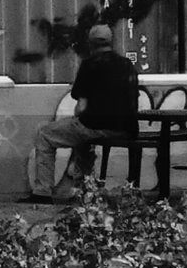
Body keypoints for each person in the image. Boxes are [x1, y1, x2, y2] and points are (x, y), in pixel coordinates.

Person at [30, 23, 139, 202]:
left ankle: (42, 192)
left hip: (95, 126)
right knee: (82, 138)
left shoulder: (90, 65)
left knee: (45, 134)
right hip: (125, 128)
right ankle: (85, 190)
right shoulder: (127, 65)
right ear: (111, 42)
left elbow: (82, 106)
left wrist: (77, 118)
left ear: (90, 44)